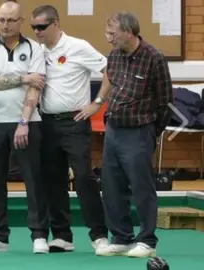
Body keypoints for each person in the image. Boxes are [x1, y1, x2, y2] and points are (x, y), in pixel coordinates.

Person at [30, 5, 109, 253]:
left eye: (41, 27)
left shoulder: (78, 46)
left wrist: (97, 104)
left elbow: (110, 71)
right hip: (46, 123)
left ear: (55, 24)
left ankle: (99, 235)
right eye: (33, 27)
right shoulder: (36, 52)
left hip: (74, 122)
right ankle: (62, 235)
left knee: (84, 176)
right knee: (53, 180)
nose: (37, 32)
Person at [0, 1, 49, 253]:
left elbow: (36, 87)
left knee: (34, 180)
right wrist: (24, 76)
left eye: (10, 20)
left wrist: (23, 122)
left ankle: (39, 235)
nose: (5, 25)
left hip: (28, 123)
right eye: (1, 20)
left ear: (20, 22)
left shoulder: (35, 48)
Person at [95, 12, 173, 257]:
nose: (108, 39)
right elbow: (112, 90)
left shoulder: (154, 57)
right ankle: (121, 237)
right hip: (114, 130)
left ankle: (147, 241)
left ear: (129, 32)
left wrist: (151, 131)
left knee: (141, 187)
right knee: (111, 186)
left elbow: (166, 102)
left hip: (140, 131)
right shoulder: (114, 57)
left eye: (112, 34)